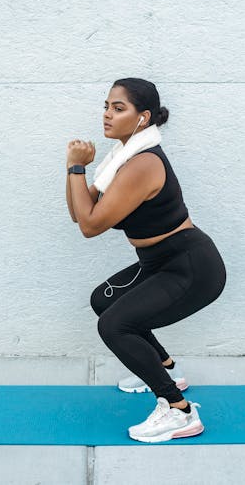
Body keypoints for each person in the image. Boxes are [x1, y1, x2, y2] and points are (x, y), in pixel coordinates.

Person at [65, 78, 227, 443]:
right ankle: (166, 368)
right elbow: (80, 212)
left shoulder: (142, 164)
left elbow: (90, 226)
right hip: (160, 261)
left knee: (114, 326)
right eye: (106, 105)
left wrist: (77, 169)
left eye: (119, 108)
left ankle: (177, 410)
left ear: (143, 118)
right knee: (103, 301)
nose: (107, 114)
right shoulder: (120, 159)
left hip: (191, 266)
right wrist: (72, 169)